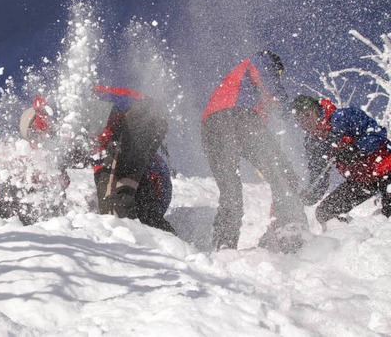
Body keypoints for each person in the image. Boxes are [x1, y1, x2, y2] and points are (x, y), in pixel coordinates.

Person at [23, 88, 174, 234]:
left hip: (141, 114)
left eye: (36, 135)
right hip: (156, 188)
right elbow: (63, 173)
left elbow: (100, 134)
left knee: (113, 210)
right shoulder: (75, 136)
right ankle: (172, 251)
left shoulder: (60, 108)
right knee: (140, 223)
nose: (41, 142)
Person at [201, 50, 307, 251]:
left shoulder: (242, 86)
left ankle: (224, 245)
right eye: (279, 73)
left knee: (230, 191)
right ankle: (291, 230)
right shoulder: (261, 61)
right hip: (238, 117)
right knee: (282, 172)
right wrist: (286, 108)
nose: (278, 77)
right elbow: (272, 88)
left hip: (211, 126)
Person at [290, 95, 391, 226]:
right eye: (300, 120)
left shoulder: (344, 117)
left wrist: (356, 149)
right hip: (361, 181)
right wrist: (310, 196)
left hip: (386, 169)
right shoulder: (313, 143)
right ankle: (348, 238)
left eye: (308, 115)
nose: (305, 122)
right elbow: (319, 175)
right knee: (324, 213)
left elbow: (377, 134)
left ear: (317, 110)